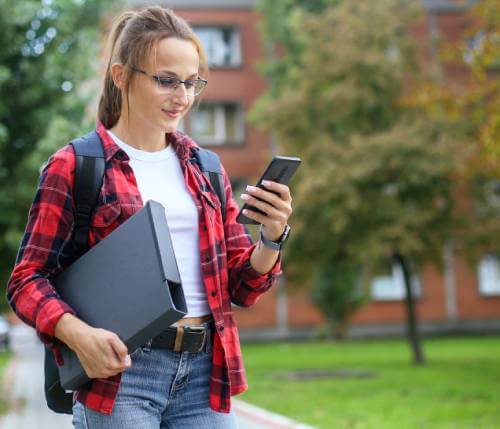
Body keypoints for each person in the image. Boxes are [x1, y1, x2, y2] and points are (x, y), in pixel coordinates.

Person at [6, 5, 293, 429]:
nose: (183, 96)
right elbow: (26, 280)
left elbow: (241, 287)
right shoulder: (76, 165)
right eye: (166, 80)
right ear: (121, 76)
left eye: (192, 82)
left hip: (205, 373)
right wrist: (78, 336)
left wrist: (270, 239)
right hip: (120, 375)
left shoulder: (206, 167)